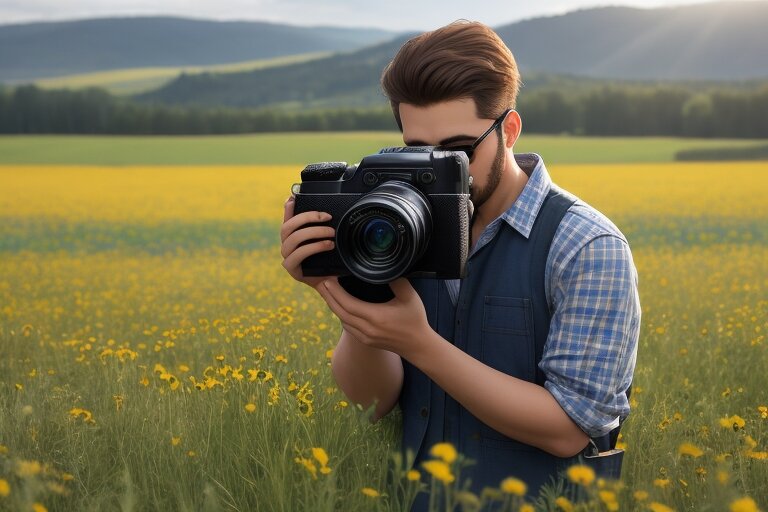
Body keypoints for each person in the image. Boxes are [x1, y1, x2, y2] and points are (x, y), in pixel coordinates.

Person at [280, 20, 640, 506]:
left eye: (458, 151)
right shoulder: (397, 226)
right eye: (417, 151)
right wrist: (344, 290)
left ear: (509, 129)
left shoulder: (586, 245)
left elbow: (569, 429)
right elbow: (372, 403)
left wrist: (420, 343)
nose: (437, 166)